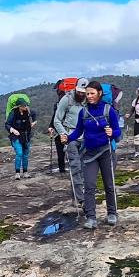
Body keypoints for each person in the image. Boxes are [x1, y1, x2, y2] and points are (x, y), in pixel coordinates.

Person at [66, 81, 123, 229]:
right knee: (89, 185)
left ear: (99, 93)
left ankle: (112, 213)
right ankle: (91, 218)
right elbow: (78, 132)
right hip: (89, 154)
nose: (89, 96)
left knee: (109, 185)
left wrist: (113, 132)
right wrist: (67, 137)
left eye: (92, 93)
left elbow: (118, 132)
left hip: (106, 152)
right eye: (87, 94)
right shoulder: (83, 112)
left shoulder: (108, 110)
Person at [52, 78, 89, 206]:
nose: (81, 94)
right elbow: (57, 120)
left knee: (85, 168)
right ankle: (80, 199)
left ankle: (77, 196)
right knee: (75, 167)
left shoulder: (89, 100)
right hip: (71, 138)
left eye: (83, 92)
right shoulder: (66, 99)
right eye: (79, 91)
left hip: (86, 138)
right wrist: (63, 134)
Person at [6, 99, 36, 180]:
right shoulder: (13, 113)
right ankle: (17, 173)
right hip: (16, 135)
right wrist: (13, 130)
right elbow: (7, 124)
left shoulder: (29, 112)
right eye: (24, 106)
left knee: (26, 154)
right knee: (19, 153)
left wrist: (34, 122)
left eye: (26, 105)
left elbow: (35, 115)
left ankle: (25, 172)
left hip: (26, 135)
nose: (25, 107)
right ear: (19, 106)